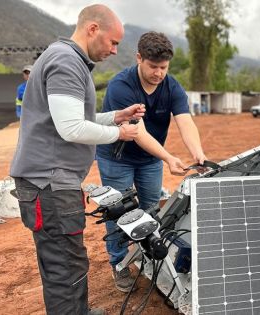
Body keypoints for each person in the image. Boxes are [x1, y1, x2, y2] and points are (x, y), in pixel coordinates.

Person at [9, 4, 145, 315]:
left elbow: (71, 118)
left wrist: (114, 118)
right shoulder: (67, 61)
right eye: (113, 42)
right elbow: (71, 128)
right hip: (50, 184)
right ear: (93, 29)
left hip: (49, 182)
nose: (114, 51)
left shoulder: (64, 58)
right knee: (65, 266)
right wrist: (121, 134)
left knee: (64, 262)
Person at [95, 31, 206, 292]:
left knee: (150, 210)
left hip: (150, 159)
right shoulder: (121, 86)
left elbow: (185, 121)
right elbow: (139, 133)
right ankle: (119, 264)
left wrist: (198, 153)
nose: (158, 73)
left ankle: (145, 257)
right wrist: (168, 157)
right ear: (139, 58)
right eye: (153, 66)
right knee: (120, 212)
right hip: (117, 157)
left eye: (163, 68)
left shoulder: (172, 86)